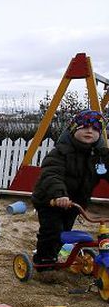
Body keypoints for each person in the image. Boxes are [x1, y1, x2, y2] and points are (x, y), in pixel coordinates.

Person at [31, 109, 108, 267]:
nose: (89, 131)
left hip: (76, 203)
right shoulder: (60, 152)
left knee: (66, 231)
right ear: (73, 129)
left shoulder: (101, 156)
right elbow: (52, 174)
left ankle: (57, 253)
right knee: (52, 231)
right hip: (51, 199)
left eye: (95, 129)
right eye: (84, 127)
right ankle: (44, 261)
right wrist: (59, 195)